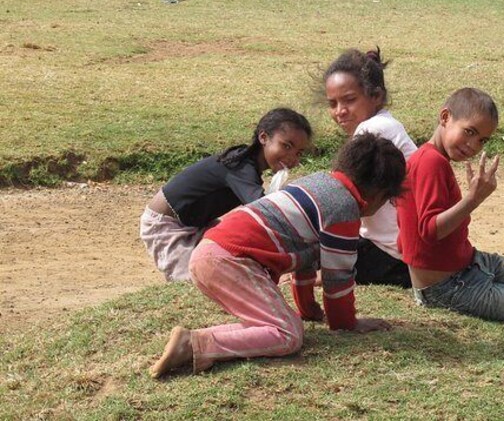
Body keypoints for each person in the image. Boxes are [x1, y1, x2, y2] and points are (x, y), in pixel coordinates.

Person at [149, 133, 407, 378]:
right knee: (288, 335)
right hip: (231, 260)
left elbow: (307, 262)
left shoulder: (318, 183)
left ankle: (197, 342)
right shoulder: (344, 208)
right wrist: (346, 323)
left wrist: (308, 310)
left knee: (276, 324)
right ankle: (195, 344)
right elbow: (337, 278)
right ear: (379, 194)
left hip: (209, 252)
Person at [396, 88, 504, 326]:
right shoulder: (430, 162)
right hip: (445, 287)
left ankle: (491, 283)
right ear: (445, 117)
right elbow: (430, 231)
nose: (473, 145)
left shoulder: (436, 159)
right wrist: (473, 199)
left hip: (470, 263)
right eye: (469, 132)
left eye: (482, 140)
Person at [140, 107, 313, 282]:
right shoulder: (240, 168)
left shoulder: (246, 166)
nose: (292, 157)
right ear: (263, 137)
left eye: (299, 152)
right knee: (195, 281)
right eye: (286, 146)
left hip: (198, 224)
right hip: (167, 225)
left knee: (227, 263)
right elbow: (265, 210)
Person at [323, 48, 417, 288]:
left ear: (376, 96)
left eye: (349, 100)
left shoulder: (374, 130)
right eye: (333, 103)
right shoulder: (387, 124)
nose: (340, 111)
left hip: (391, 254)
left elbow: (338, 195)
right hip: (395, 249)